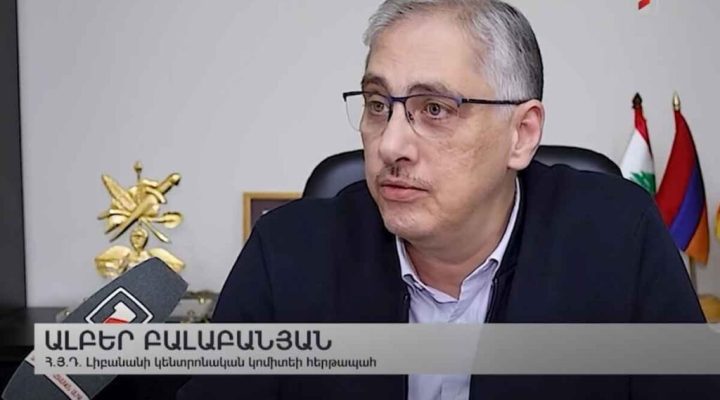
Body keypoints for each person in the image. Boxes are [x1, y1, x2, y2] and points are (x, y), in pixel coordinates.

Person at [178, 0, 717, 398]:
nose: (390, 145)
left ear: (522, 134)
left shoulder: (620, 240)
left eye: (434, 109)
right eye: (377, 104)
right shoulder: (286, 252)